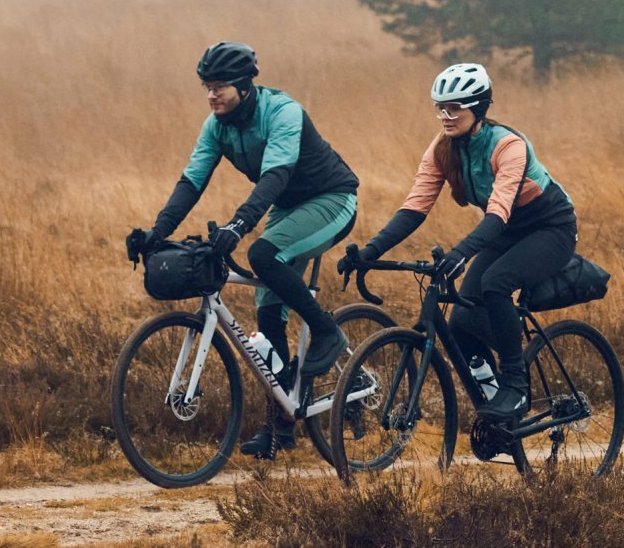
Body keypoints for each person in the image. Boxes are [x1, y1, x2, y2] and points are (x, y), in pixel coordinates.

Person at [126, 41, 360, 459]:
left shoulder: (282, 111)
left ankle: (327, 331)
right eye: (206, 87)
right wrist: (156, 234)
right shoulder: (216, 126)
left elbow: (275, 176)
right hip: (289, 207)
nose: (211, 95)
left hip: (332, 198)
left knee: (263, 256)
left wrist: (239, 225)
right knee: (268, 312)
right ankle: (281, 425)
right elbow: (191, 183)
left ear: (244, 87)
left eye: (219, 87)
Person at [340, 63, 577, 435]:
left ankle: (515, 388)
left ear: (478, 108)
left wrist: (461, 253)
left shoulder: (508, 145)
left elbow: (497, 214)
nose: (445, 116)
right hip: (506, 231)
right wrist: (371, 251)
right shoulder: (442, 149)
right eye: (440, 108)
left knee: (496, 283)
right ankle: (498, 411)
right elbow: (415, 207)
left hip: (550, 228)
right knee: (461, 325)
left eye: (455, 108)